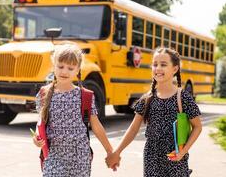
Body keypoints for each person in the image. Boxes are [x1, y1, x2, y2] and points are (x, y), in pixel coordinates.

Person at [106, 47, 202, 176]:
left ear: (175, 69)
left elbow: (197, 127)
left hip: (176, 160)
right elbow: (133, 129)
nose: (158, 68)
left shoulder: (183, 97)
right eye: (155, 64)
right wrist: (116, 152)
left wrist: (183, 151)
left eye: (163, 64)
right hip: (152, 160)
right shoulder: (148, 99)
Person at [32, 43, 114, 177]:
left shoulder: (85, 96)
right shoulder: (44, 94)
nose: (64, 71)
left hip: (80, 157)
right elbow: (41, 122)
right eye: (60, 66)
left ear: (77, 70)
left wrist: (110, 151)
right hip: (53, 156)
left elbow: (96, 125)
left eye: (70, 68)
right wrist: (37, 137)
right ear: (54, 65)